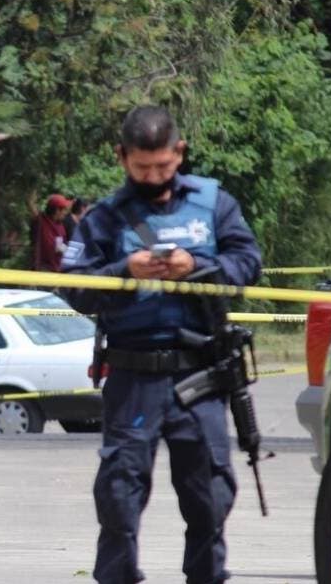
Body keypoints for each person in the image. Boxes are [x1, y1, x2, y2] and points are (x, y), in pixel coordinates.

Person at [61, 105, 262, 584]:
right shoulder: (104, 219)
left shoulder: (214, 204)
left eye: (163, 166)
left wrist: (198, 268)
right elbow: (73, 287)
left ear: (180, 152)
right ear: (121, 157)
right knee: (119, 496)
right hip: (134, 376)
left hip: (201, 374)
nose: (153, 176)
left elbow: (248, 264)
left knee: (210, 494)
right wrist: (123, 272)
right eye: (142, 167)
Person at [33, 193, 72, 271]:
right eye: (64, 210)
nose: (66, 213)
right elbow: (31, 205)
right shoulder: (41, 222)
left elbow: (61, 245)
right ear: (57, 210)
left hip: (57, 268)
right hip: (43, 269)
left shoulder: (60, 225)